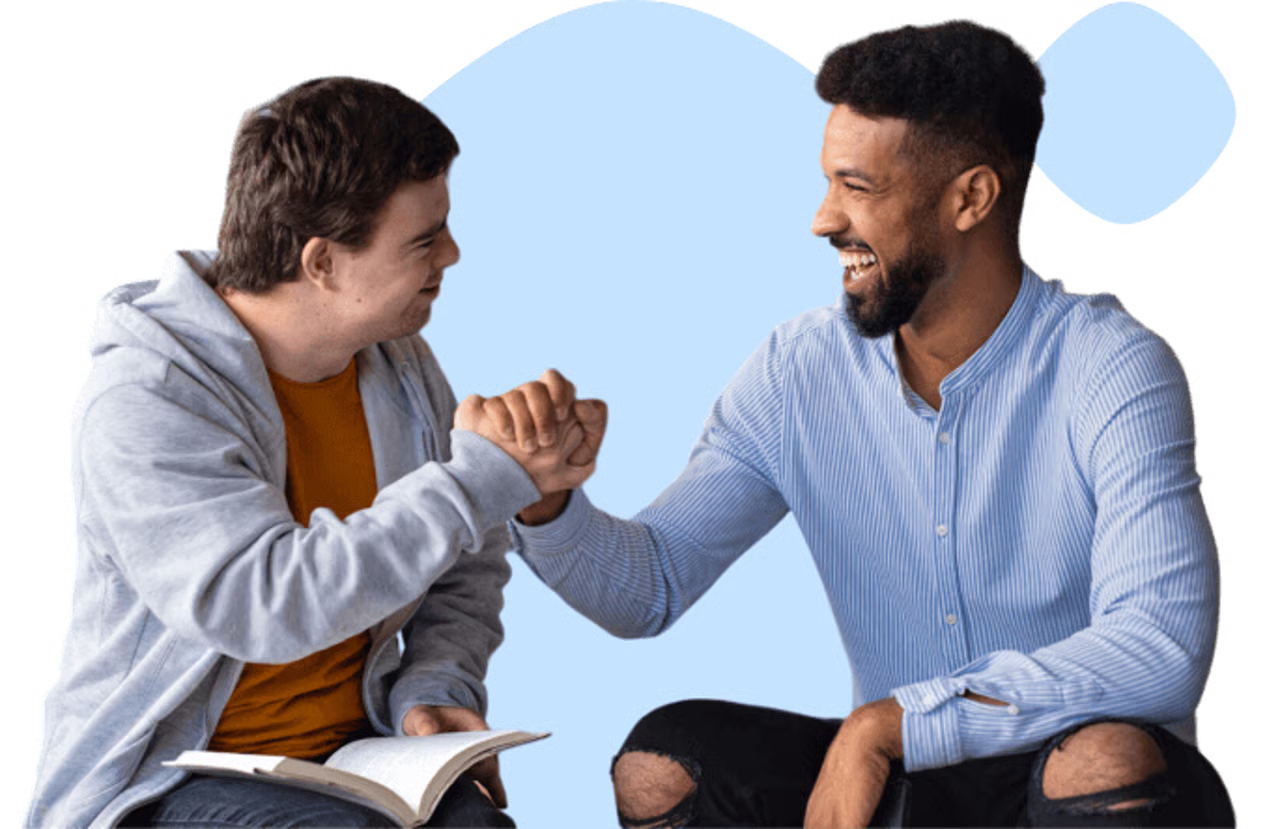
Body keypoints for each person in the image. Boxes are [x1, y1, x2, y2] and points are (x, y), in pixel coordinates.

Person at [458, 18, 1237, 829]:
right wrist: (544, 500)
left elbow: (1160, 647)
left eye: (856, 188)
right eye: (830, 184)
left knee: (1103, 761)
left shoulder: (1111, 366)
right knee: (663, 765)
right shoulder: (798, 371)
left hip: (1067, 781)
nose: (824, 220)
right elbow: (650, 585)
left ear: (970, 197)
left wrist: (894, 722)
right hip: (896, 785)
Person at [19, 73, 599, 829]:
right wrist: (480, 478)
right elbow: (265, 600)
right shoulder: (148, 395)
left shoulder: (397, 361)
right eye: (425, 239)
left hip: (355, 752)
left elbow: (464, 557)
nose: (452, 254)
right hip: (165, 778)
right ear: (321, 262)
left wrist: (435, 687)